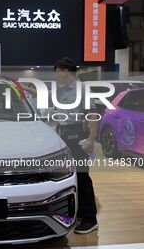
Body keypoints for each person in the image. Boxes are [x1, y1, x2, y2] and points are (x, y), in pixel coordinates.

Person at [53, 57, 98, 234]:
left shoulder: (82, 90)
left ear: (65, 71)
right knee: (71, 176)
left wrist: (91, 140)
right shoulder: (62, 90)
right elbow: (39, 95)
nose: (55, 75)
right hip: (64, 136)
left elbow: (92, 115)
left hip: (77, 136)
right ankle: (80, 211)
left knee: (82, 177)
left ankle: (90, 219)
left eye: (56, 71)